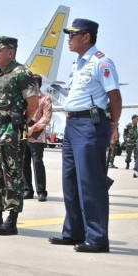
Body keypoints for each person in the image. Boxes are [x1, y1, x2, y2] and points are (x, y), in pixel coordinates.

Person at [49, 19, 122, 253]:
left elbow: (115, 97)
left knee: (91, 183)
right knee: (70, 182)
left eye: (73, 35)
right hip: (72, 125)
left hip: (90, 124)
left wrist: (113, 125)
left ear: (86, 37)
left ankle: (98, 238)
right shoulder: (77, 64)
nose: (69, 39)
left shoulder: (101, 62)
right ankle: (73, 232)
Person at [0, 36, 38, 235]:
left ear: (10, 52)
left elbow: (33, 104)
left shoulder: (22, 73)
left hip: (10, 131)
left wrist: (22, 123)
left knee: (12, 175)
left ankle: (12, 219)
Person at [23, 74, 52, 202]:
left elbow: (46, 117)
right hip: (24, 135)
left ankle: (41, 191)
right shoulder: (24, 99)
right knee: (24, 163)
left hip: (37, 137)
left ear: (37, 84)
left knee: (38, 162)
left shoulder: (45, 99)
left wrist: (33, 128)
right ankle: (27, 190)